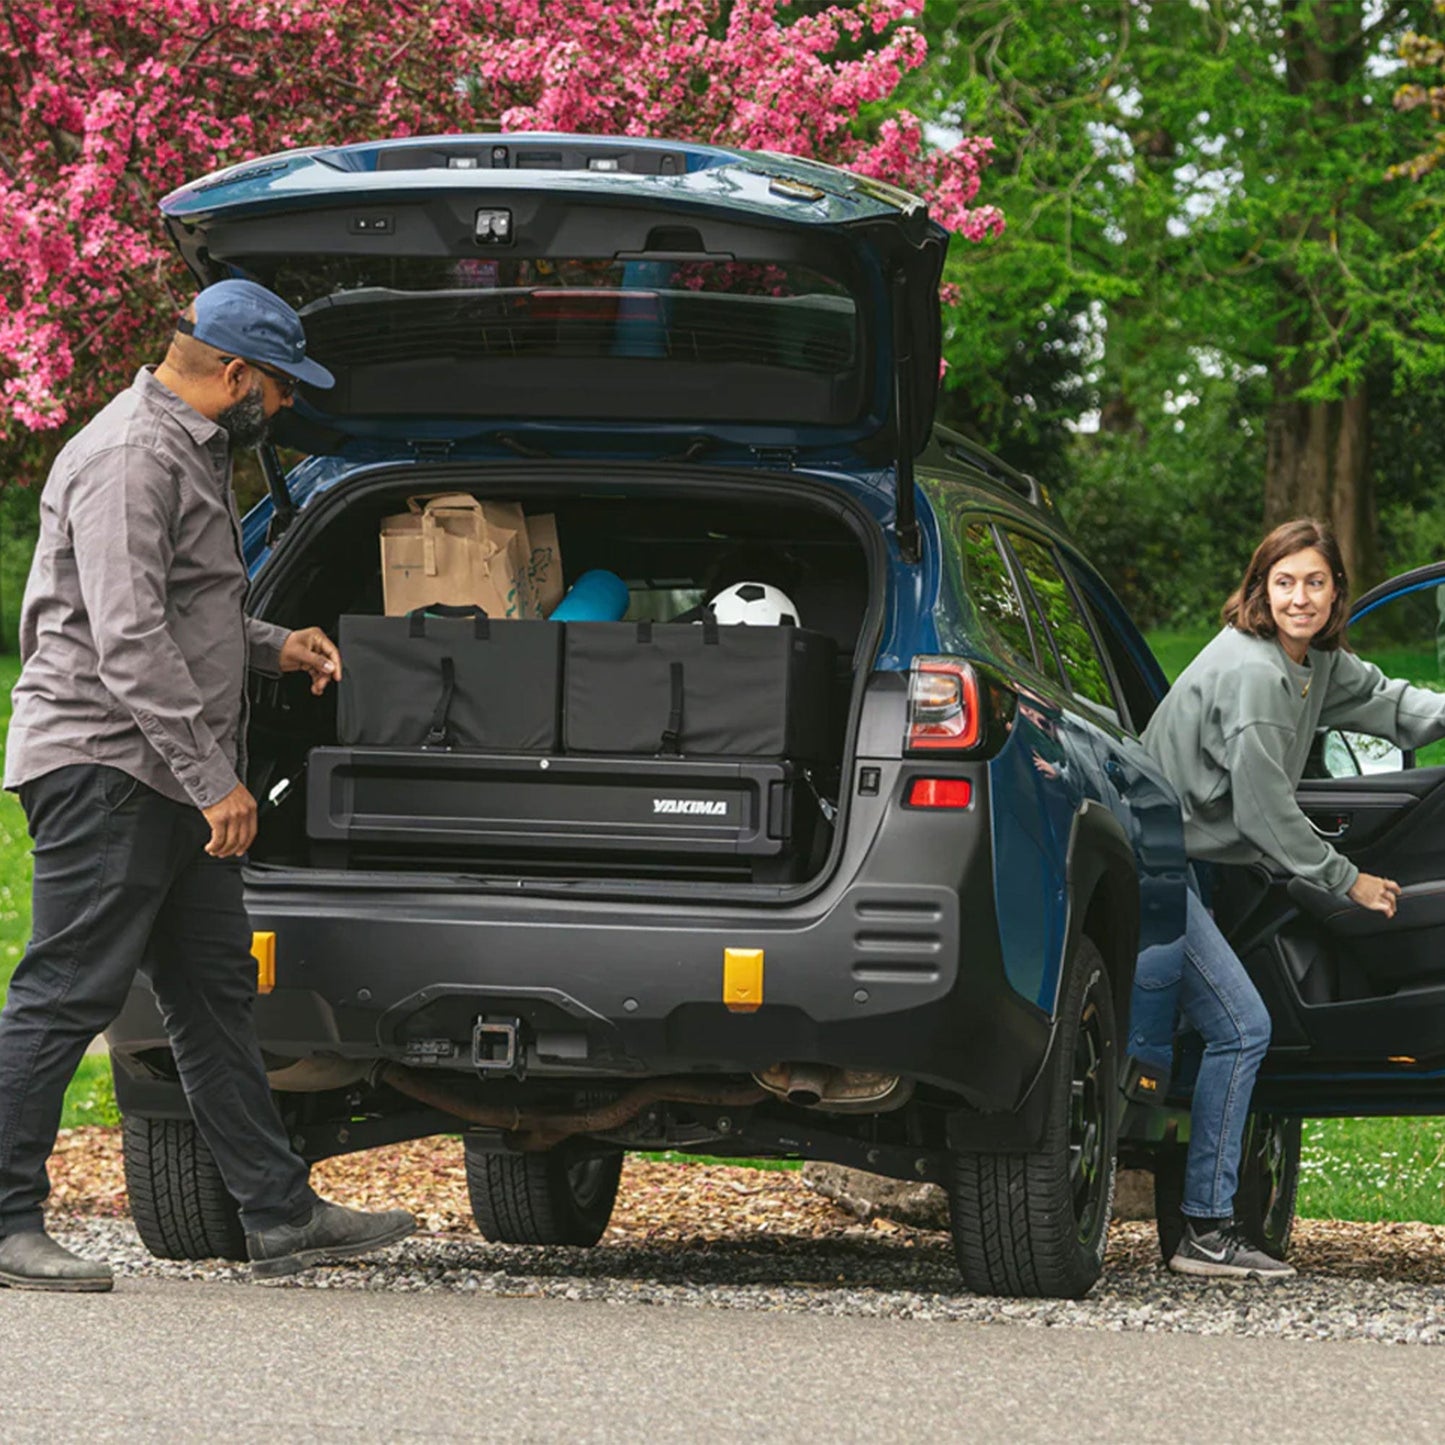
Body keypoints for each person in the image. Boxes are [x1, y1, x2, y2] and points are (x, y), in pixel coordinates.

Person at [0, 279, 415, 1292]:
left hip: (157, 769)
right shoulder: (132, 458)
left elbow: (184, 611)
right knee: (65, 991)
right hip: (109, 764)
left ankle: (276, 1212)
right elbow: (129, 637)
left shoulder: (182, 448)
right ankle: (6, 1218)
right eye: (275, 389)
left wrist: (277, 647)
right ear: (233, 372)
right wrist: (212, 781)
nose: (278, 409)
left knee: (212, 992)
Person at [1142, 517, 1445, 1280]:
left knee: (1210, 1033)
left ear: (1336, 590)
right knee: (1242, 1027)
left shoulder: (1308, 661)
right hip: (1153, 863)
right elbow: (1264, 813)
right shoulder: (1254, 678)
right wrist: (1348, 878)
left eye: (1314, 581)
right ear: (1259, 588)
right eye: (1283, 582)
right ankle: (1205, 1234)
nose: (1298, 597)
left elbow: (1389, 702)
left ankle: (1200, 1222)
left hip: (1193, 859)